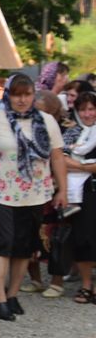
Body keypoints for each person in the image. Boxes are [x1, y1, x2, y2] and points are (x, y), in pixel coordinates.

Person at [0, 72, 66, 321]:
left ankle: (12, 294)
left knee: (24, 247)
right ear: (8, 95)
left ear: (33, 95)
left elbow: (57, 156)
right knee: (3, 244)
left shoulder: (46, 121)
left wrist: (62, 189)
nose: (22, 100)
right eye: (17, 95)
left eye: (27, 94)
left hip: (35, 194)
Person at [61, 90, 96, 303]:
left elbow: (69, 162)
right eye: (82, 109)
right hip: (80, 193)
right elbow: (60, 159)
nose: (87, 114)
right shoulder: (72, 132)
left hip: (90, 188)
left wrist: (77, 165)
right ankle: (86, 284)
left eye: (91, 109)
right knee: (82, 237)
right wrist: (88, 166)